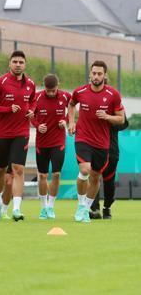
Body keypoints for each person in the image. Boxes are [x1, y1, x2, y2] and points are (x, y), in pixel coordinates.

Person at [67, 60, 125, 223]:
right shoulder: (80, 91)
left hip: (102, 142)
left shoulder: (113, 94)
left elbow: (121, 119)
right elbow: (71, 105)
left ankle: (85, 209)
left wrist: (107, 117)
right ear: (90, 74)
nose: (96, 76)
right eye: (94, 73)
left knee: (95, 177)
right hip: (83, 138)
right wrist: (71, 122)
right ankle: (80, 205)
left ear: (105, 76)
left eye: (100, 74)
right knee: (85, 170)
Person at [0, 50, 35, 222]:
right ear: (10, 63)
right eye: (15, 61)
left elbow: (33, 100)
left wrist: (32, 110)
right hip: (2, 134)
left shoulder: (30, 84)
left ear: (25, 64)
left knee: (18, 169)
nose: (18, 64)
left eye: (21, 62)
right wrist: (7, 109)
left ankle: (16, 209)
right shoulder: (1, 82)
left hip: (21, 133)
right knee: (0, 171)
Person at [31, 74, 70, 220]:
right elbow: (29, 115)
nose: (51, 93)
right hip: (42, 142)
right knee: (42, 175)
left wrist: (65, 121)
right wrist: (37, 125)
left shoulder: (66, 96)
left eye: (53, 90)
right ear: (44, 87)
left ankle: (51, 207)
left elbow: (72, 110)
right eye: (48, 91)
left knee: (56, 174)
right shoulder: (36, 97)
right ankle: (43, 208)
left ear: (58, 86)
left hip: (58, 142)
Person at [90, 109, 128, 219]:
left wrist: (108, 118)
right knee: (93, 178)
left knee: (109, 181)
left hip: (111, 150)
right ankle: (94, 209)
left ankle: (107, 207)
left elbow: (124, 124)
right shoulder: (92, 104)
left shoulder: (115, 104)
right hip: (95, 148)